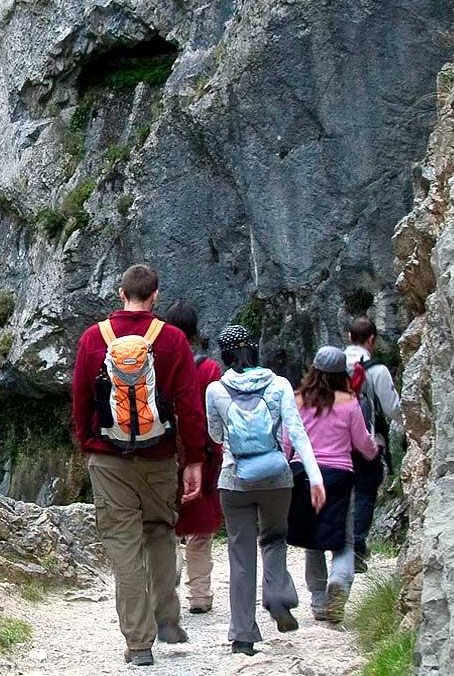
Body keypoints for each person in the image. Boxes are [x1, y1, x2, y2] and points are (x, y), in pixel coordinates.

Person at [68, 265, 208, 667]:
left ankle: (139, 644)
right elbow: (189, 406)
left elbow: (80, 397)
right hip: (159, 457)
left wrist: (87, 442)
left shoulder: (94, 338)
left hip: (107, 458)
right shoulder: (173, 339)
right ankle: (167, 618)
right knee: (160, 533)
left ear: (120, 293)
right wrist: (193, 458)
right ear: (155, 296)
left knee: (124, 549)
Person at [205, 324, 323, 656]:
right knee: (274, 540)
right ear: (255, 350)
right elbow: (297, 433)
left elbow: (215, 435)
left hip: (234, 480)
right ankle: (277, 597)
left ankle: (243, 636)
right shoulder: (280, 384)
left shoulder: (215, 390)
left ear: (225, 355)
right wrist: (315, 477)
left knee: (241, 556)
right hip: (276, 477)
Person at [293, 346, 378, 623]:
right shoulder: (350, 402)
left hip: (305, 474)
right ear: (342, 372)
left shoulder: (298, 400)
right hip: (339, 476)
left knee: (312, 540)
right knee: (344, 540)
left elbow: (287, 438)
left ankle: (318, 601)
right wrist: (373, 450)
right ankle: (339, 581)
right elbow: (362, 443)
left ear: (313, 369)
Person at [162, 301, 223, 615]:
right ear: (196, 331)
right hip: (201, 456)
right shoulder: (208, 369)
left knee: (167, 527)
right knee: (201, 529)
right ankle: (200, 595)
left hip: (162, 454)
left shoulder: (157, 364)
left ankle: (167, 594)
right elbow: (216, 417)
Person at [344, 317, 401, 569]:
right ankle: (356, 544)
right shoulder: (377, 370)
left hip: (333, 441)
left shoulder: (331, 363)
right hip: (368, 439)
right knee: (365, 492)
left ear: (348, 336)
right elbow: (392, 408)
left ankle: (338, 542)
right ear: (372, 340)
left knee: (340, 491)